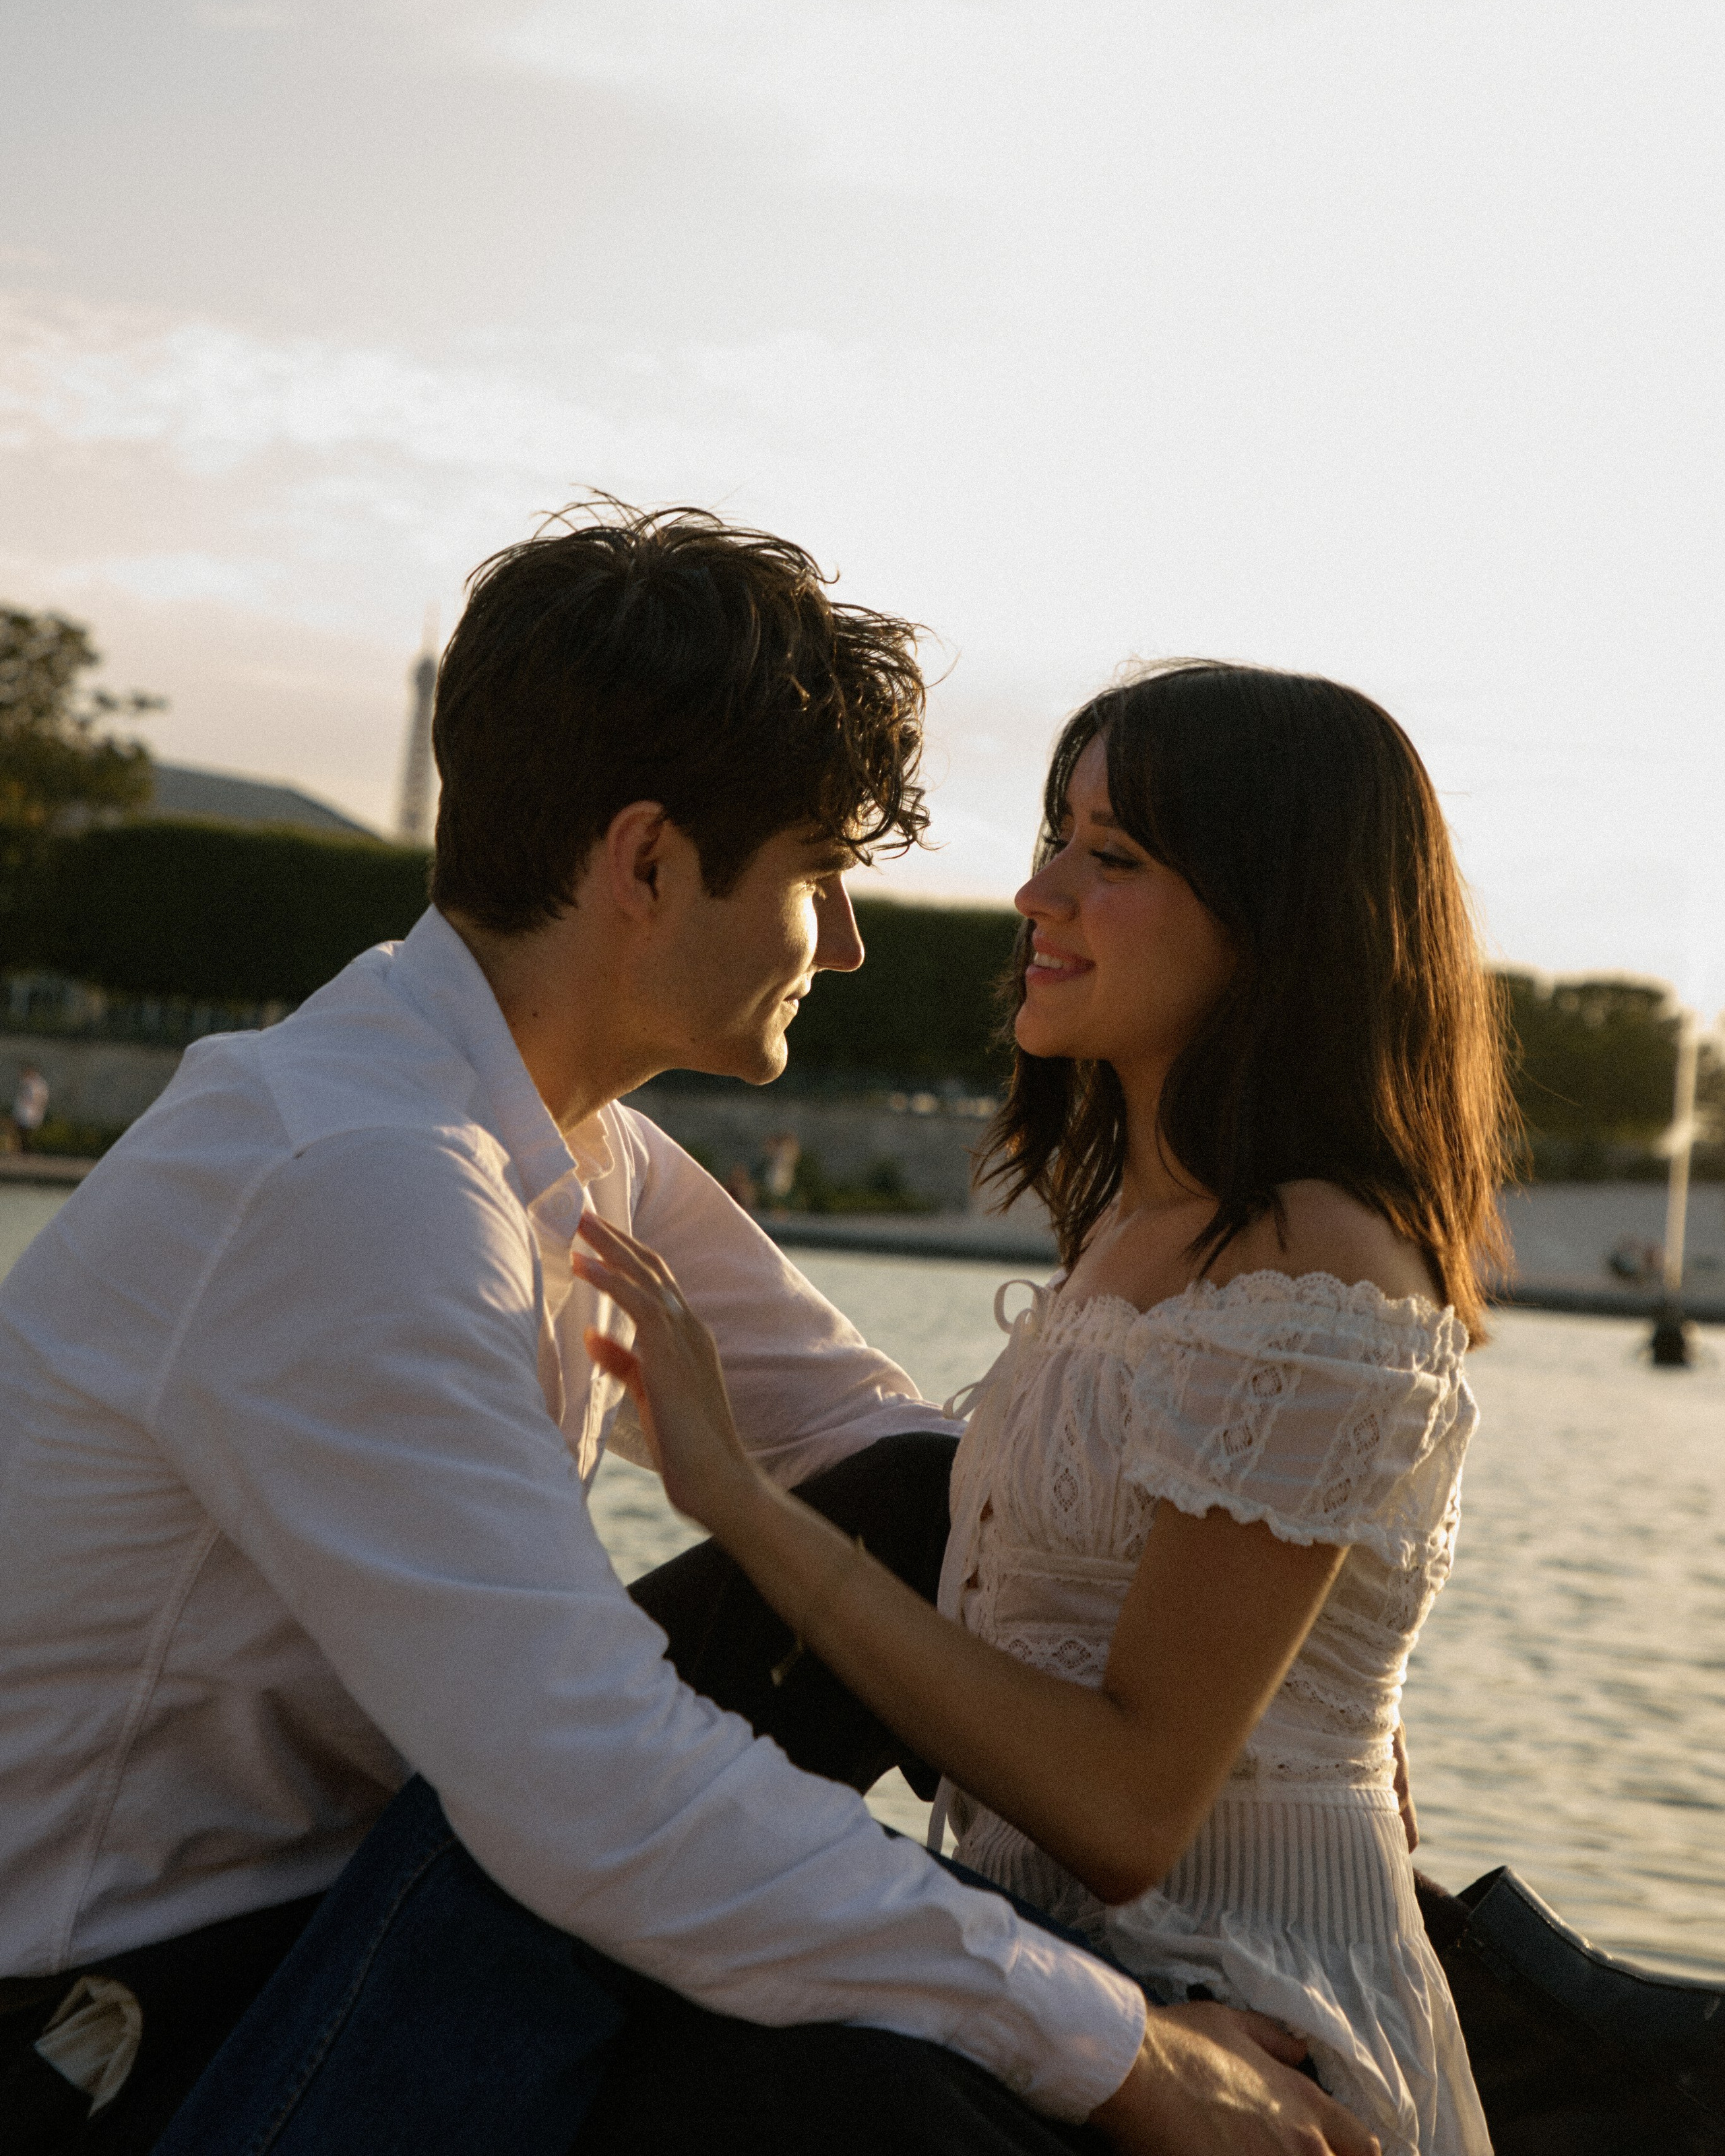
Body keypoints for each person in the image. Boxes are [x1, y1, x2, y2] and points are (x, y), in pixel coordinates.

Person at [0, 517, 1370, 2156]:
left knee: (894, 1532)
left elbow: (910, 1466)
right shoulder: (359, 1182)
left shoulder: (538, 1130)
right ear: (646, 865)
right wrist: (1121, 2046)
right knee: (840, 2049)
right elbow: (587, 1787)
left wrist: (1273, 1624)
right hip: (115, 2047)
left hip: (347, 1934)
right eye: (815, 873)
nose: (848, 939)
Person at [573, 660, 1511, 2156]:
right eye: (1054, 835)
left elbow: (1133, 1812)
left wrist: (742, 1506)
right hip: (1083, 1981)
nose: (1034, 891)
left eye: (1110, 857)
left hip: (1246, 2025)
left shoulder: (1314, 1264)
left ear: (1274, 919)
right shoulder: (1149, 1237)